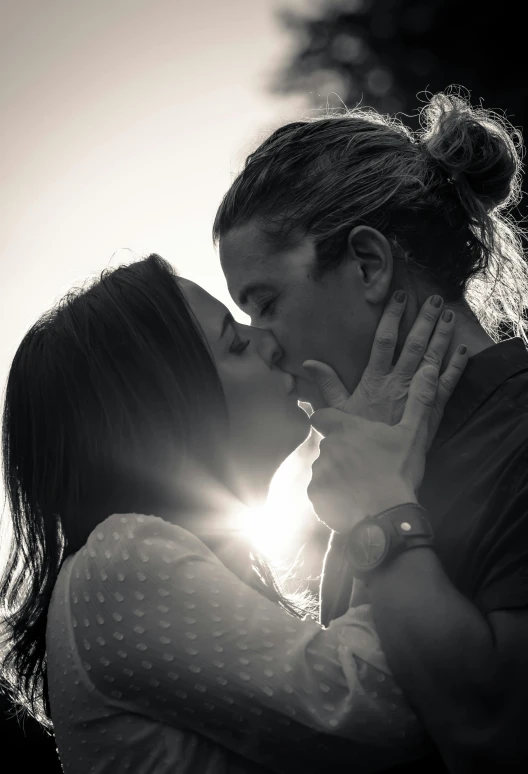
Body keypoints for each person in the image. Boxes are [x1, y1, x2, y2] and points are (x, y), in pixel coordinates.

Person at [0, 254, 464, 773]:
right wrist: (382, 489)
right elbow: (379, 709)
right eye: (238, 343)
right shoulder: (120, 559)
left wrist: (362, 503)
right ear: (169, 404)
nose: (270, 342)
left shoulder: (157, 566)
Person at [215, 91, 528, 769]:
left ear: (369, 264)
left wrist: (380, 518)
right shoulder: (358, 469)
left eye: (264, 303)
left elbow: (498, 733)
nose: (261, 346)